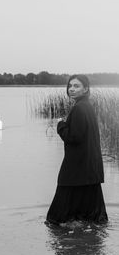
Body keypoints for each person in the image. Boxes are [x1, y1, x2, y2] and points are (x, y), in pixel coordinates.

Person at [46, 74, 108, 225]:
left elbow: (74, 137)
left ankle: (74, 237)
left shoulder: (79, 108)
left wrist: (61, 125)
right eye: (70, 86)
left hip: (77, 168)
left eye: (76, 86)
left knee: (55, 220)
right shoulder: (86, 106)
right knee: (93, 217)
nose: (71, 89)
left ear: (85, 89)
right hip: (88, 168)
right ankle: (88, 237)